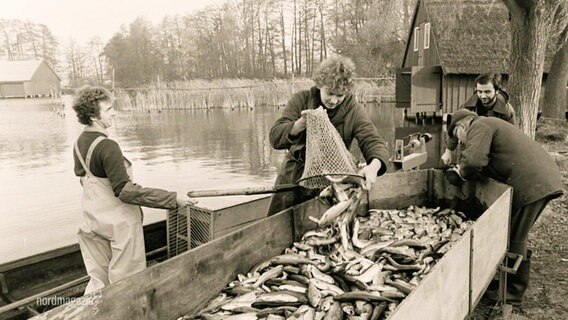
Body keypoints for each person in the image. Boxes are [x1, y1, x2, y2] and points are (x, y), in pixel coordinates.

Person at [72, 86, 194, 294]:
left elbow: (86, 179)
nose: (114, 113)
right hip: (119, 225)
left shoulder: (79, 143)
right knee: (127, 283)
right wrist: (173, 199)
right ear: (93, 115)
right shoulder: (108, 146)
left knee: (99, 282)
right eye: (109, 109)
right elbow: (125, 191)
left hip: (93, 222)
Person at [445, 109, 564, 305]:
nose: (461, 143)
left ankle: (512, 293)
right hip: (536, 178)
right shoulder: (487, 124)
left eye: (458, 137)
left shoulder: (479, 125)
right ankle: (505, 282)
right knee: (513, 231)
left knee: (516, 234)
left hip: (533, 182)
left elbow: (474, 160)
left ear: (463, 126)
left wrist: (461, 175)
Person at [267, 56, 390, 215]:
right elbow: (275, 137)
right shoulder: (300, 100)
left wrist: (374, 166)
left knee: (324, 225)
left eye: (340, 96)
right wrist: (299, 125)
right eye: (330, 93)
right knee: (277, 224)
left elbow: (372, 140)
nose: (333, 100)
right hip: (293, 176)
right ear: (320, 84)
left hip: (332, 181)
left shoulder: (354, 110)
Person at [441, 73, 517, 165]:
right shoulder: (467, 106)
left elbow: (510, 138)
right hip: (469, 149)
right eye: (479, 92)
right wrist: (448, 151)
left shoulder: (507, 111)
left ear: (497, 91)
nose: (483, 96)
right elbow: (455, 128)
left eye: (487, 92)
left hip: (494, 153)